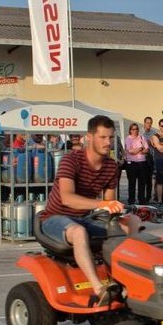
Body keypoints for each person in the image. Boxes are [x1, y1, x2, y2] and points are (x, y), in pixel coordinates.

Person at [39, 115, 140, 306]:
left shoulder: (111, 166)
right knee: (79, 232)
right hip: (55, 218)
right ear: (89, 137)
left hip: (84, 217)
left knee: (132, 223)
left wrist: (126, 212)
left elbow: (109, 203)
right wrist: (101, 205)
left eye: (110, 138)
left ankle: (123, 279)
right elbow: (67, 198)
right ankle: (99, 289)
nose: (108, 142)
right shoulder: (71, 160)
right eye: (103, 137)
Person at [124, 122, 150, 205]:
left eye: (136, 129)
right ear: (130, 130)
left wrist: (139, 150)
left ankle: (141, 200)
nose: (135, 130)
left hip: (142, 163)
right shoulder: (128, 139)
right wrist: (141, 148)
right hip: (131, 163)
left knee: (142, 183)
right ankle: (131, 201)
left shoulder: (141, 137)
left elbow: (147, 150)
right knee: (132, 183)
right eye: (133, 129)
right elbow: (131, 151)